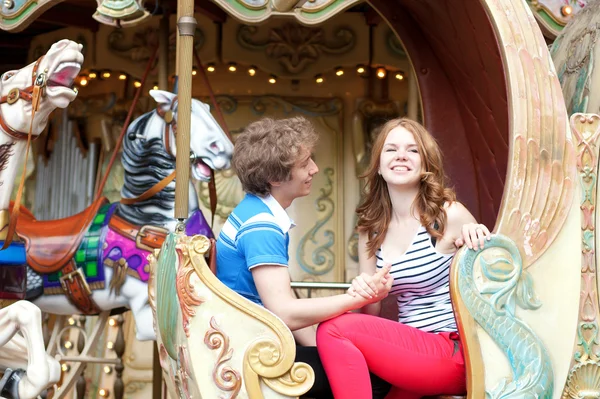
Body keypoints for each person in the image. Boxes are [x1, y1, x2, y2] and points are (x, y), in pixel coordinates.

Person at [216, 116, 393, 399]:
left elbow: (277, 304)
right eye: (304, 164)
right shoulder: (262, 226)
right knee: (378, 375)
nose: (314, 169)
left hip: (253, 341)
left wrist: (318, 343)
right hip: (254, 351)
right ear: (275, 178)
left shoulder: (253, 212)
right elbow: (282, 311)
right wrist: (359, 298)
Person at [315, 117, 491, 399]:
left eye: (412, 150)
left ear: (425, 164)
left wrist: (481, 237)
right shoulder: (371, 229)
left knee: (334, 329)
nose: (401, 156)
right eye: (391, 149)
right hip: (412, 351)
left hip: (454, 349)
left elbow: (496, 276)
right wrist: (365, 290)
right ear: (379, 166)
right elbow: (371, 311)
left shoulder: (449, 215)